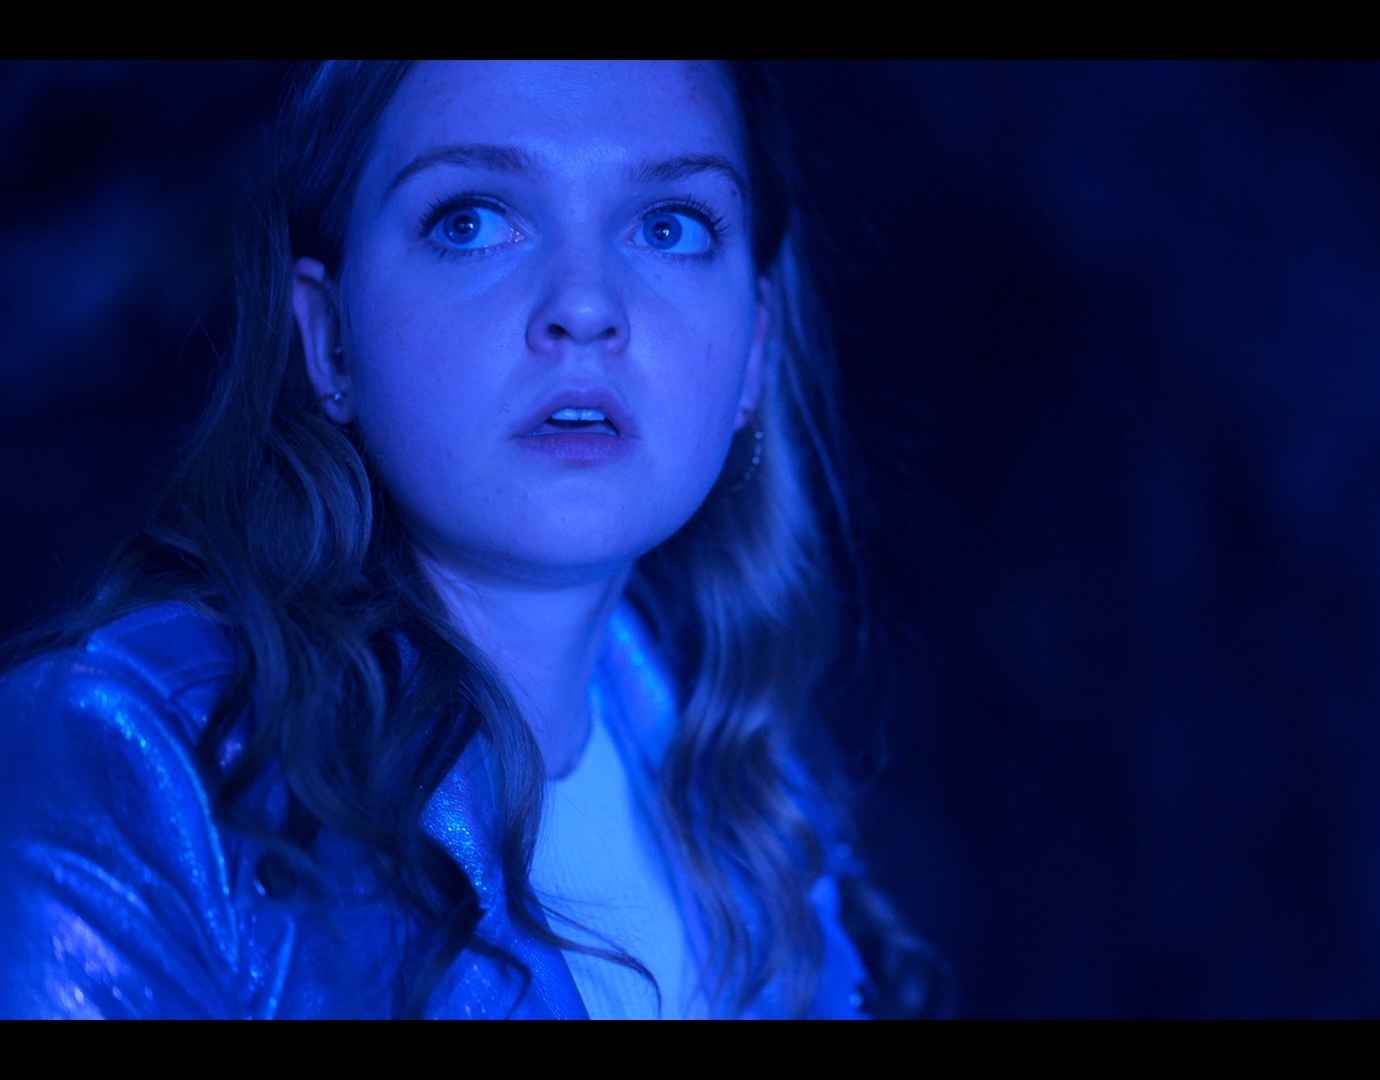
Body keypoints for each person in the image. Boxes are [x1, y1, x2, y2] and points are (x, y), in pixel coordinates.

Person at [0, 60, 924, 1019]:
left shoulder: (766, 810)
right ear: (328, 337)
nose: (584, 306)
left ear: (754, 350)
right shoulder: (125, 766)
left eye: (669, 226)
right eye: (472, 220)